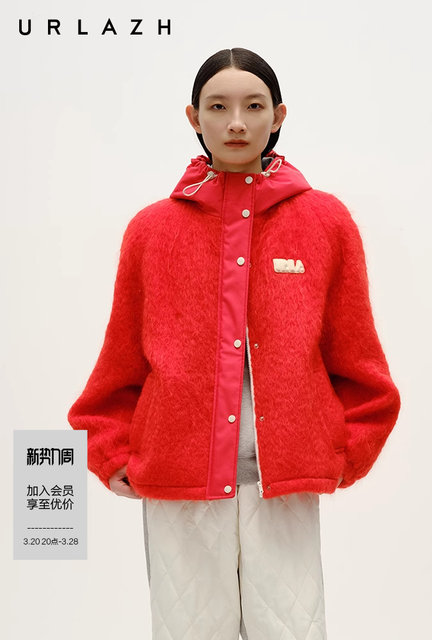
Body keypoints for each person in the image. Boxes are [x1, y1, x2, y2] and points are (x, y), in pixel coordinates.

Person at [68, 47, 401, 640]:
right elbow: (120, 360)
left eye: (254, 106)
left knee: (293, 632)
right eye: (218, 107)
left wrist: (343, 452)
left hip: (286, 484)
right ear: (194, 117)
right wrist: (112, 451)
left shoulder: (326, 222)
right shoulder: (152, 230)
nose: (237, 123)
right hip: (177, 481)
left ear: (279, 115)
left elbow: (358, 358)